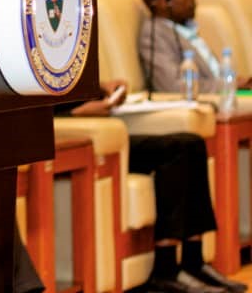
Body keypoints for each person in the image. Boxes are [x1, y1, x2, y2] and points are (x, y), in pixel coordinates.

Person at [63, 81, 246, 293]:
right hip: (71, 124)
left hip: (100, 118)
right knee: (173, 151)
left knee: (192, 144)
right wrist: (76, 113)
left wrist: (103, 88)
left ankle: (193, 261)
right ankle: (165, 269)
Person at [138, 0, 249, 95]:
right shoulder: (154, 35)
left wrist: (236, 81)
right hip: (210, 100)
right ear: (162, 1)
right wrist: (228, 84)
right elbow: (173, 86)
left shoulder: (185, 29)